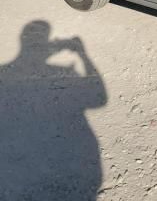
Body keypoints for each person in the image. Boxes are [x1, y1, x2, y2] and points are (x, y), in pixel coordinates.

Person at [0, 20, 107, 200]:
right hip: (79, 158)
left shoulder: (4, 72)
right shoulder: (66, 71)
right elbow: (100, 99)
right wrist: (83, 54)